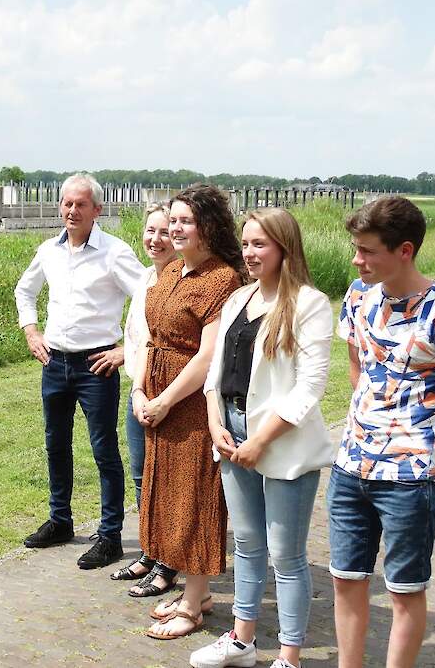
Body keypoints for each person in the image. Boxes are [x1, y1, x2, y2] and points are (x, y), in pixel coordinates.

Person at [190, 208, 333, 668]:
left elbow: (309, 387)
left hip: (281, 442)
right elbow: (215, 372)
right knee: (247, 543)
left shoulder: (310, 303)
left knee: (287, 555)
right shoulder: (238, 299)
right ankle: (241, 640)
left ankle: (289, 657)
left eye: (260, 245)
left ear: (284, 249)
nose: (250, 253)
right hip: (230, 434)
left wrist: (260, 440)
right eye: (246, 244)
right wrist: (216, 424)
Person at [328, 196, 435, 668]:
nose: (356, 259)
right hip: (350, 466)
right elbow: (358, 370)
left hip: (410, 474)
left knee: (404, 588)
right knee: (345, 577)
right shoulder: (357, 296)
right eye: (355, 248)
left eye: (367, 251)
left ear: (405, 250)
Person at [14, 172, 144, 569]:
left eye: (81, 204)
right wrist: (31, 331)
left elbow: (151, 298)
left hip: (96, 365)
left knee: (103, 450)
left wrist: (128, 350)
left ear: (97, 210)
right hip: (55, 362)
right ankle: (60, 520)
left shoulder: (114, 252)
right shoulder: (49, 251)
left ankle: (110, 536)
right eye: (67, 203)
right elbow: (25, 290)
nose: (72, 210)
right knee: (56, 444)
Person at [129, 184, 242, 639]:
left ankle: (193, 604)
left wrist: (164, 399)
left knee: (195, 498)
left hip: (192, 404)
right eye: (171, 219)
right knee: (167, 496)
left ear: (208, 226)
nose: (174, 228)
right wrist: (138, 388)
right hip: (156, 396)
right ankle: (200, 591)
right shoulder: (172, 270)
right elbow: (149, 336)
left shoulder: (222, 280)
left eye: (184, 221)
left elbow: (206, 355)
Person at [109, 203, 178, 585]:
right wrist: (136, 388)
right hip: (138, 391)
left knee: (168, 480)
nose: (155, 239)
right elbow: (135, 339)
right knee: (141, 476)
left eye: (165, 231)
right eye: (150, 230)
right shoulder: (145, 282)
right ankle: (150, 552)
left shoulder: (185, 283)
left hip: (170, 396)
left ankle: (169, 560)